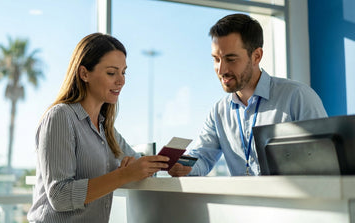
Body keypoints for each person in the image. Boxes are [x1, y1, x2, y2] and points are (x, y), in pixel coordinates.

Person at [27, 33, 169, 222]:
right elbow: (59, 196)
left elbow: (137, 163)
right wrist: (123, 175)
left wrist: (146, 165)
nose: (121, 81)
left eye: (123, 72)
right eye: (111, 73)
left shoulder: (107, 130)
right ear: (84, 73)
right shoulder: (61, 117)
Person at [168, 13, 327, 177]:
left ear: (256, 56)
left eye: (231, 59)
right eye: (216, 59)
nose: (221, 70)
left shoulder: (297, 97)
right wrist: (183, 166)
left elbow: (325, 160)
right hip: (244, 202)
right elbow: (202, 158)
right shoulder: (219, 112)